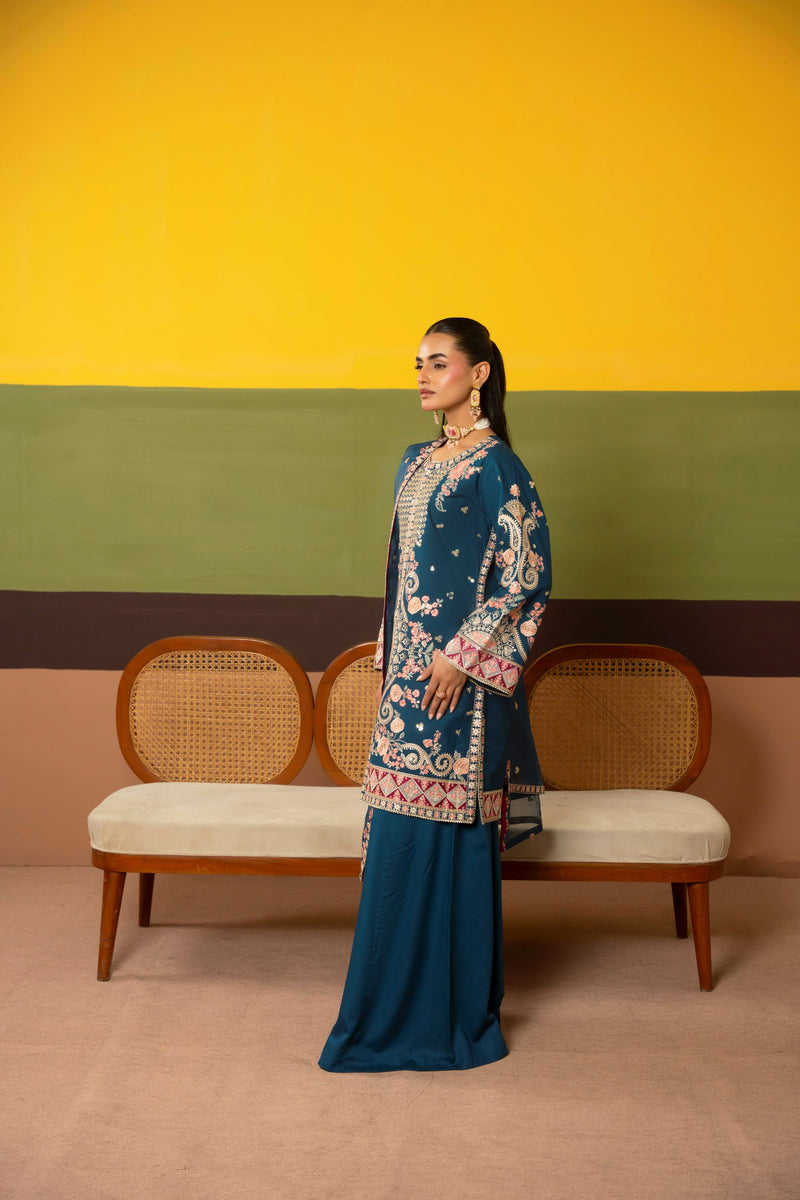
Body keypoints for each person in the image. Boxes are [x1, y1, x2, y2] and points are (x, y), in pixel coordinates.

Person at [319, 317, 551, 1073]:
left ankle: (447, 1014)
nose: (422, 374)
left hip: (465, 692)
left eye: (439, 362)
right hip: (408, 685)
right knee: (395, 840)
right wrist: (395, 660)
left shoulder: (498, 466)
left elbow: (526, 581)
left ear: (478, 374)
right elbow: (403, 576)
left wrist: (461, 658)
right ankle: (382, 1012)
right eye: (417, 363)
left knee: (445, 838)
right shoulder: (415, 461)